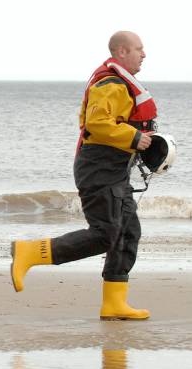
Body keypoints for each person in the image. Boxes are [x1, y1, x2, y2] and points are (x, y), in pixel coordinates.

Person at [10, 31, 156, 320]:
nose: (144, 54)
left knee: (127, 233)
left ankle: (114, 303)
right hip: (98, 168)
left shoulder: (121, 83)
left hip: (115, 169)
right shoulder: (110, 83)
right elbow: (97, 123)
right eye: (139, 49)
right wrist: (134, 137)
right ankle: (30, 252)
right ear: (122, 51)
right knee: (105, 234)